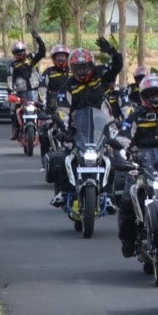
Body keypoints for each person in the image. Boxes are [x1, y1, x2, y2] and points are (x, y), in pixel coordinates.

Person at [47, 37, 123, 206]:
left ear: (91, 65)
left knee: (114, 154)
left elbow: (117, 67)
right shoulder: (67, 85)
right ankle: (62, 191)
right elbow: (62, 109)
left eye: (85, 66)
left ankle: (109, 195)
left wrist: (112, 52)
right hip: (77, 124)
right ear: (72, 68)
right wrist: (64, 127)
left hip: (102, 121)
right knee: (64, 153)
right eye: (78, 67)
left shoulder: (100, 73)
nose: (82, 70)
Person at [116, 74, 158, 258]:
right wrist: (121, 150)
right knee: (127, 199)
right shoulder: (135, 117)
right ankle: (128, 239)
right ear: (143, 96)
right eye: (151, 94)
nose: (155, 98)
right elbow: (123, 135)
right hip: (141, 165)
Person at [8, 38, 46, 141]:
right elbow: (10, 79)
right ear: (14, 54)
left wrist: (38, 38)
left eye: (21, 51)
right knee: (13, 110)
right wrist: (11, 92)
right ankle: (15, 129)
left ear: (25, 51)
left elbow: (42, 52)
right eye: (17, 52)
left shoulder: (31, 58)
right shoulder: (13, 65)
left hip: (35, 90)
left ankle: (44, 129)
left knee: (44, 108)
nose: (20, 54)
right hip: (21, 93)